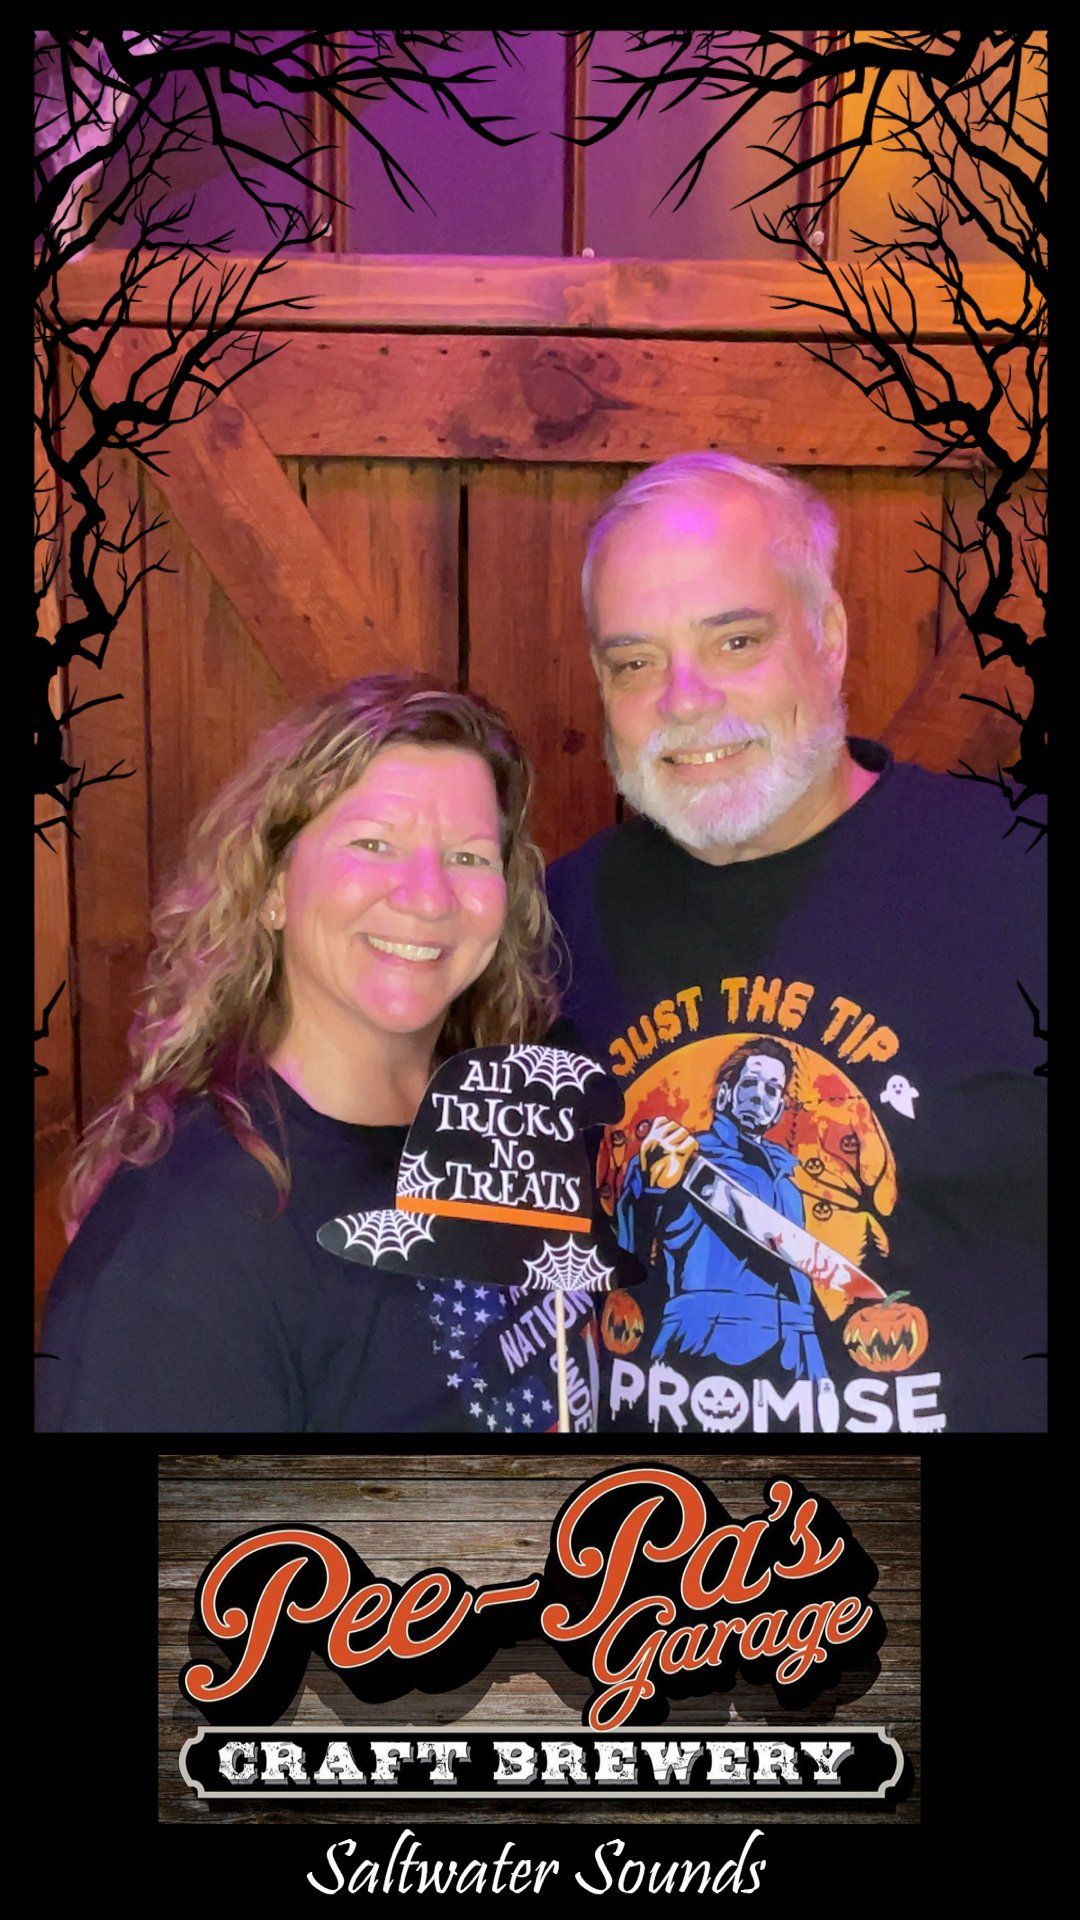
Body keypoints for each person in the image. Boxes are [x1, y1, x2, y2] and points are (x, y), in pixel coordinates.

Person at [546, 451, 1046, 1436]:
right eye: (635, 661)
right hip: (655, 1559)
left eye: (734, 639)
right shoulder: (551, 920)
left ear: (828, 638)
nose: (684, 698)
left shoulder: (1023, 880)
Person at [37, 674, 599, 1433]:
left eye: (469, 857)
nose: (428, 897)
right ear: (271, 886)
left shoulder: (507, 1125)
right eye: (374, 845)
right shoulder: (182, 1250)